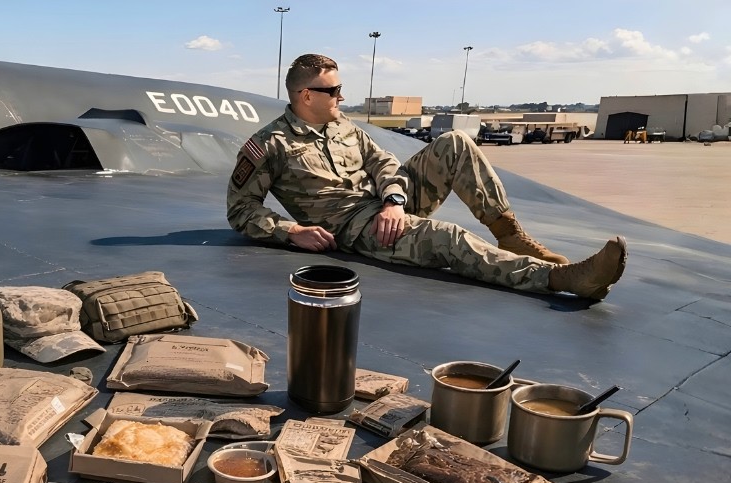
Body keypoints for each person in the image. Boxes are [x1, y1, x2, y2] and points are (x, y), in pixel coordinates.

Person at [227, 53, 627, 300]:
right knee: (447, 237)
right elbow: (241, 210)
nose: (341, 97)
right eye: (334, 91)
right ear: (306, 96)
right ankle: (560, 279)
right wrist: (290, 230)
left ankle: (509, 233)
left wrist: (394, 201)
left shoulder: (344, 126)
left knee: (455, 142)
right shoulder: (270, 144)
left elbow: (384, 164)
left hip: (383, 209)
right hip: (354, 228)